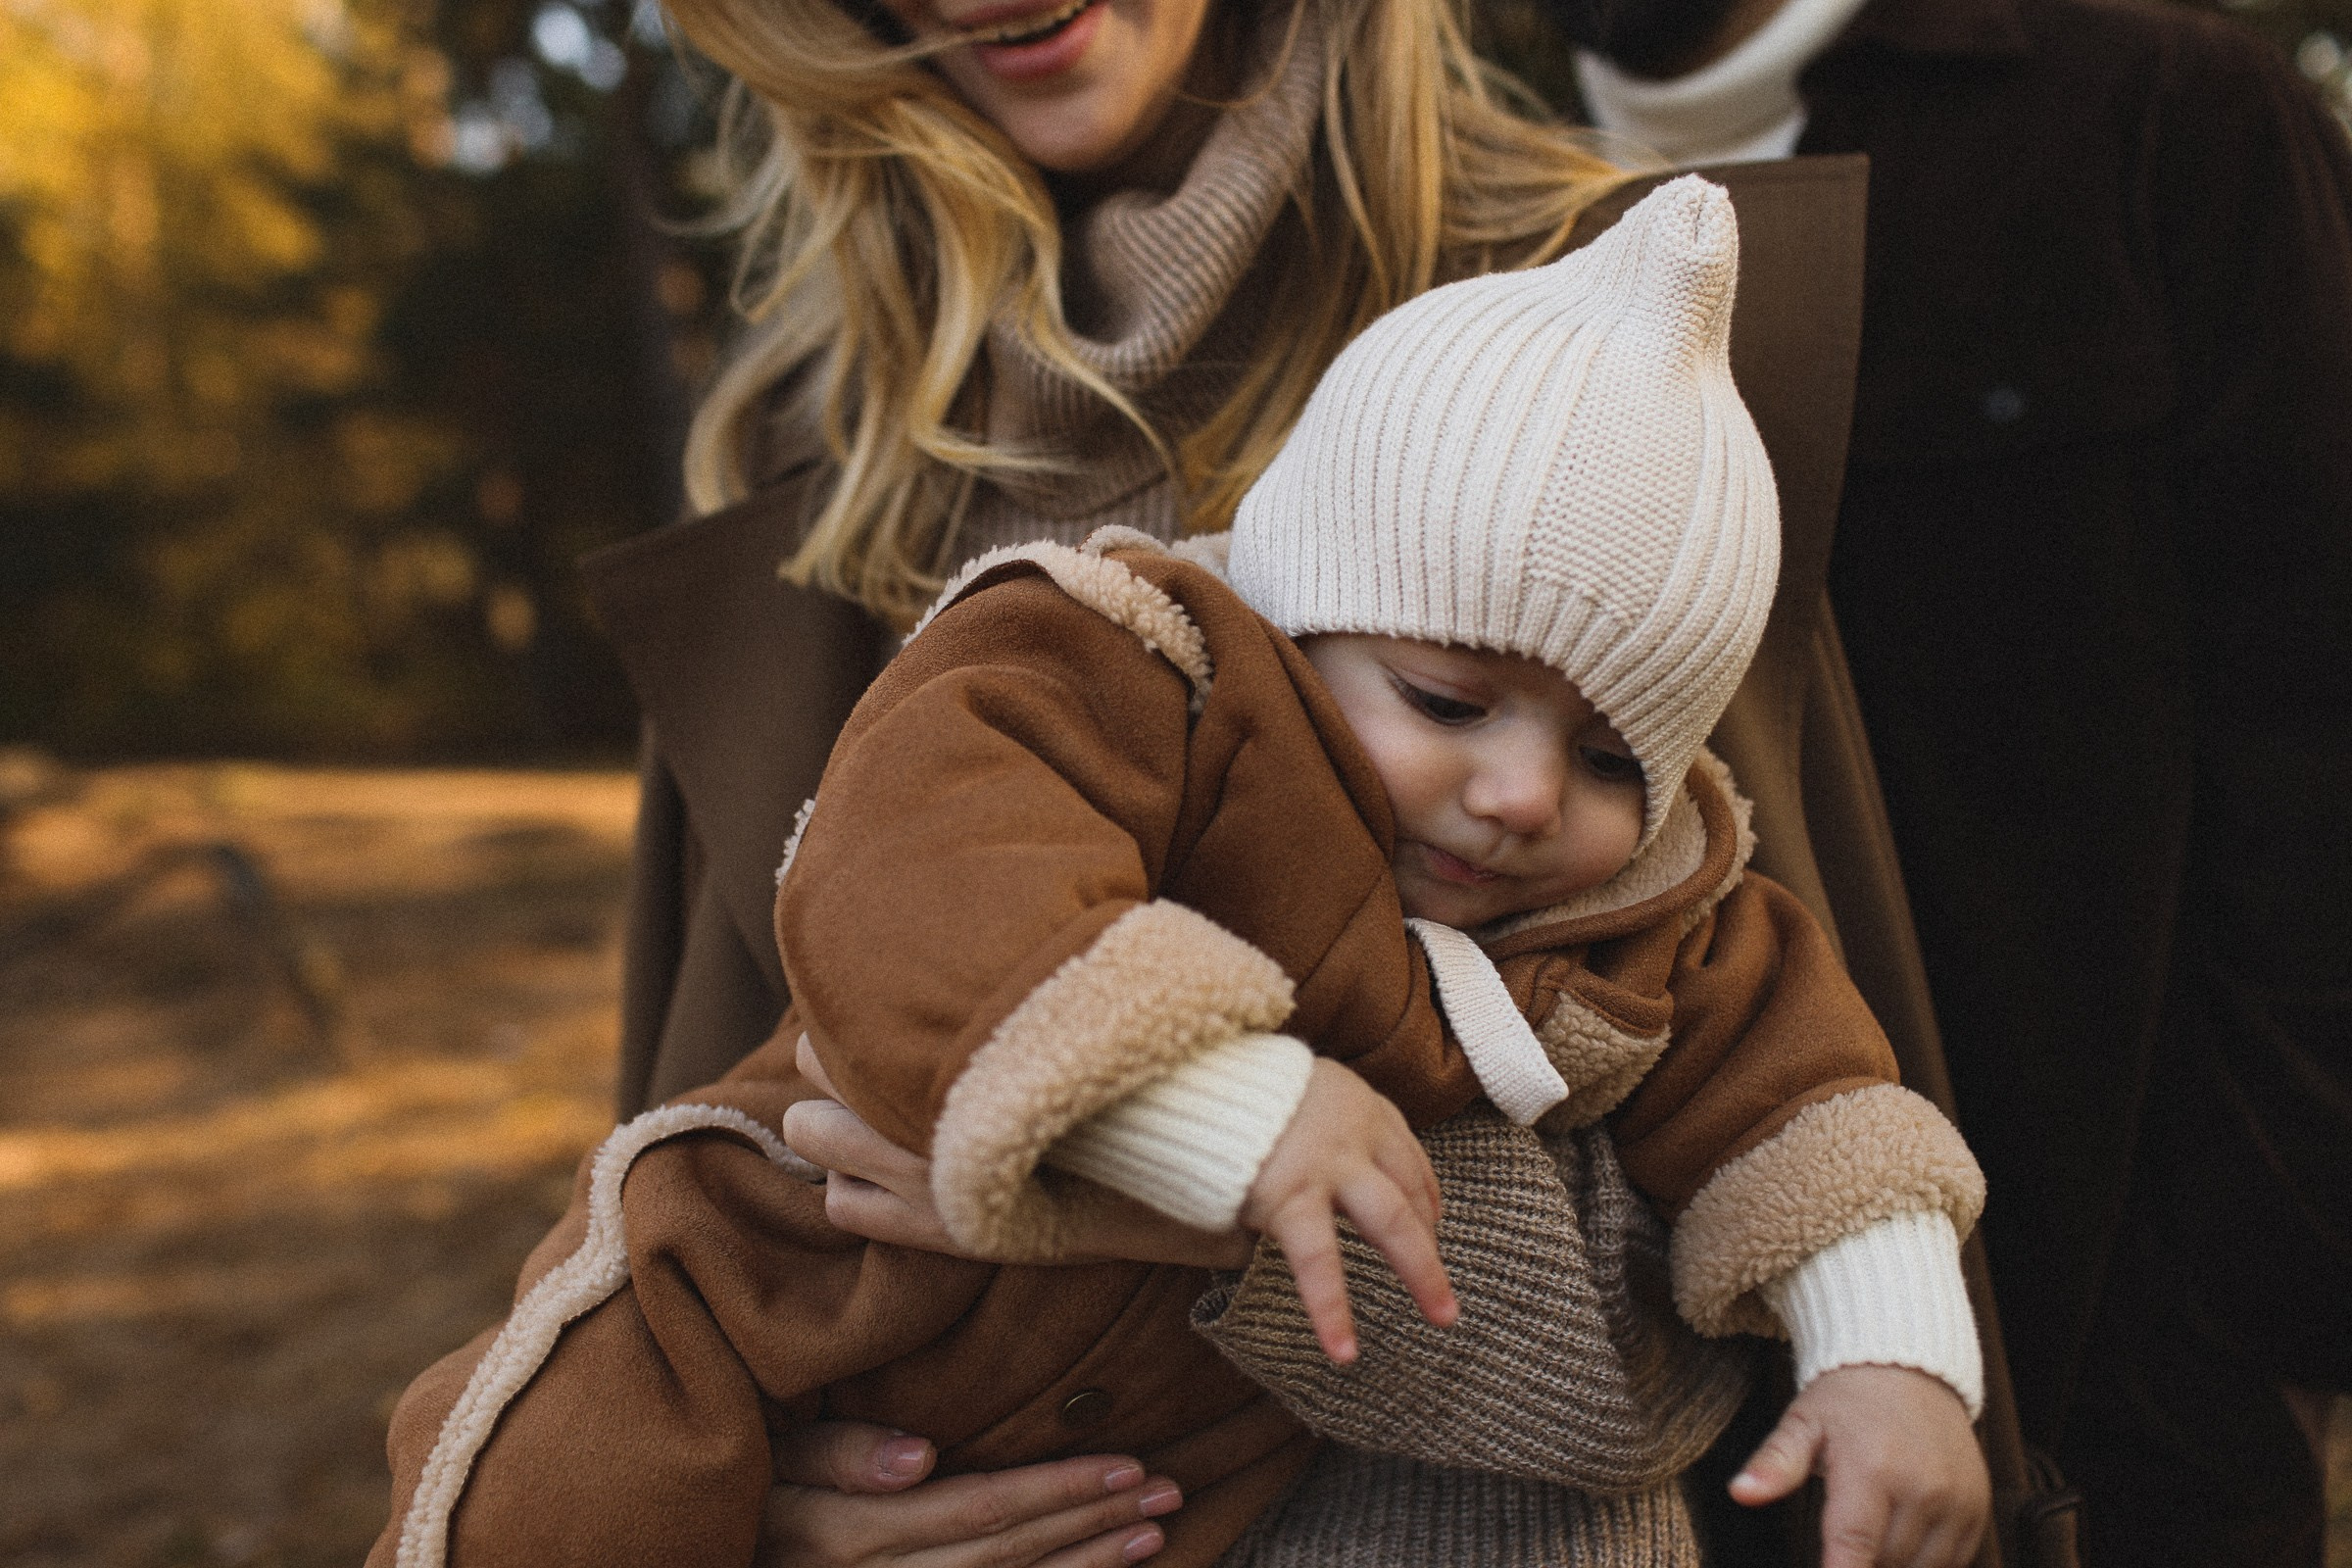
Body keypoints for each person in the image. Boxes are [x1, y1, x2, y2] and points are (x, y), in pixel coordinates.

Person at [497, 0, 1997, 1564]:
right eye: (1441, 701)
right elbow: (718, 1183)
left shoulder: (1620, 399)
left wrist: (1195, 1201)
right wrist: (767, 1512)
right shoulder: (801, 448)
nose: (1518, 794)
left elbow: (1730, 1232)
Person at [1535, 0, 2352, 1562]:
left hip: (2115, 1386)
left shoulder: (2161, 120)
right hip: (1644, 1414)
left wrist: (2245, 1296)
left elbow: (2321, 732)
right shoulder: (1445, 176)